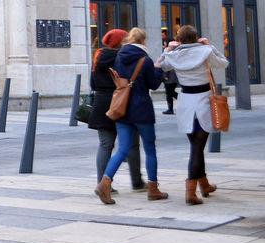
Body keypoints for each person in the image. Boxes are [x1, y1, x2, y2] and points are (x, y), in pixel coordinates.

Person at [156, 26, 229, 205]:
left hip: (186, 102)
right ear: (196, 38)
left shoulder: (174, 55)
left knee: (196, 146)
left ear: (179, 39)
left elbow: (159, 65)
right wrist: (210, 46)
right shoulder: (205, 51)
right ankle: (190, 191)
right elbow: (223, 62)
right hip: (203, 101)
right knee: (197, 148)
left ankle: (203, 185)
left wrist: (167, 49)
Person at [95, 28, 168, 205]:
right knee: (150, 149)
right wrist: (158, 69)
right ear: (143, 41)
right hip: (142, 108)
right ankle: (153, 188)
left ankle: (105, 182)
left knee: (122, 149)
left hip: (123, 109)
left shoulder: (119, 56)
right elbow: (153, 83)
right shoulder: (146, 59)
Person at [87, 29, 145, 194]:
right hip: (122, 103)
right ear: (121, 41)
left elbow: (92, 84)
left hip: (101, 103)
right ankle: (137, 182)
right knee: (132, 144)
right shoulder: (124, 57)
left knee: (105, 145)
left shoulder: (98, 56)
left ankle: (103, 183)